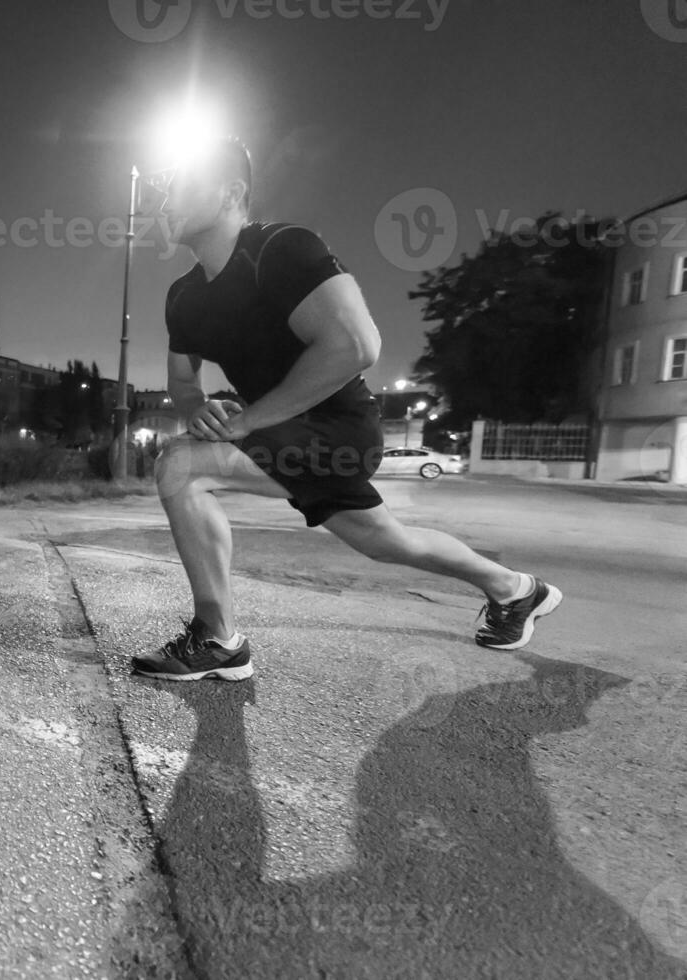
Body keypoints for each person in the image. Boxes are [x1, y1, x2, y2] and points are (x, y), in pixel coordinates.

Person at [132, 138, 562, 683]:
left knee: (181, 469)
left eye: (181, 183)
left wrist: (244, 420)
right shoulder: (184, 296)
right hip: (283, 431)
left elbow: (354, 346)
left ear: (229, 193)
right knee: (385, 542)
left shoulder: (283, 249)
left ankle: (218, 640)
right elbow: (181, 380)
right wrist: (199, 410)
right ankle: (516, 590)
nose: (164, 197)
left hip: (338, 429)